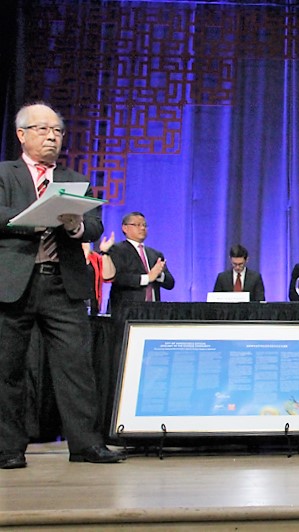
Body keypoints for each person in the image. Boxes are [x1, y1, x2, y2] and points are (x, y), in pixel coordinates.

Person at [0, 102, 126, 468]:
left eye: (57, 131)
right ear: (22, 134)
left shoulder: (74, 179)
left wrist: (75, 226)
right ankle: (8, 449)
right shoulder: (5, 174)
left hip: (63, 284)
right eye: (42, 129)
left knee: (76, 368)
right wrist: (33, 219)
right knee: (7, 369)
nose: (51, 137)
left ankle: (87, 444)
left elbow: (95, 226)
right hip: (14, 283)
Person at [107, 212, 175, 315]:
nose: (142, 228)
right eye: (137, 225)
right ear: (125, 228)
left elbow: (170, 283)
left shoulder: (155, 254)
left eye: (144, 225)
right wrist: (148, 278)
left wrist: (158, 275)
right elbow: (118, 278)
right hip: (126, 311)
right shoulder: (116, 250)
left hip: (153, 312)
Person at [83, 232, 116, 315]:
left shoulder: (95, 258)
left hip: (93, 307)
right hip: (72, 307)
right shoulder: (67, 256)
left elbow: (108, 278)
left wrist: (105, 253)